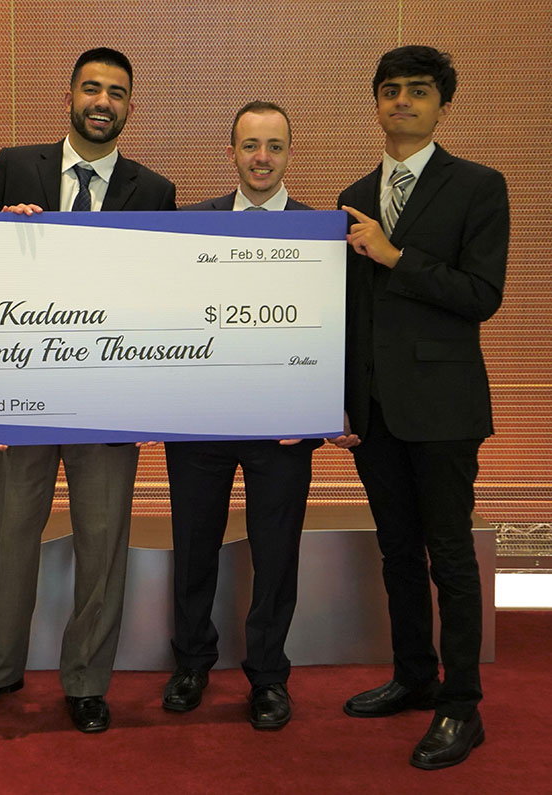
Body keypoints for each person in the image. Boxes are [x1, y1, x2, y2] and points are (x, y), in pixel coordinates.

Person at [0, 48, 176, 733]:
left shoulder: (155, 190)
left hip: (110, 400)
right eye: (91, 88)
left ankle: (85, 679)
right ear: (70, 96)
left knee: (102, 542)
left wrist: (157, 400)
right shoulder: (16, 165)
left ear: (130, 107)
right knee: (8, 533)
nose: (101, 100)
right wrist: (0, 235)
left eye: (115, 92)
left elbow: (164, 299)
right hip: (21, 392)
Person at [331, 46, 508, 769]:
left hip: (443, 408)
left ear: (443, 105)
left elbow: (481, 296)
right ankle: (413, 674)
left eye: (419, 91)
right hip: (373, 413)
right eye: (390, 90)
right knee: (398, 552)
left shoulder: (478, 186)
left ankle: (461, 704)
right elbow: (347, 313)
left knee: (450, 556)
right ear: (375, 102)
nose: (402, 101)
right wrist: (338, 402)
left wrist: (396, 256)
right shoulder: (354, 191)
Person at [162, 102, 321, 729]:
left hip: (283, 428)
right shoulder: (186, 225)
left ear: (289, 154)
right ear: (230, 152)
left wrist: (320, 406)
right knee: (193, 548)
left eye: (275, 146)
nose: (262, 158)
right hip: (199, 424)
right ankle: (192, 664)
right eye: (250, 145)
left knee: (276, 556)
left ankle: (268, 677)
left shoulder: (320, 231)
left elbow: (333, 328)